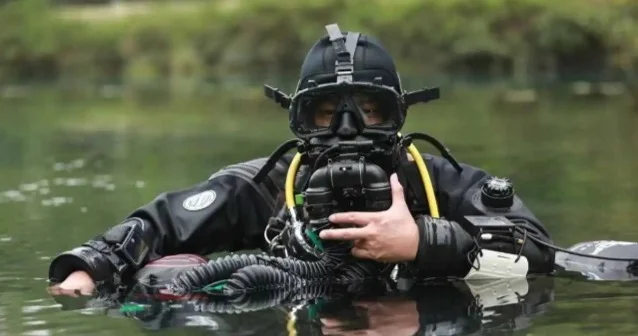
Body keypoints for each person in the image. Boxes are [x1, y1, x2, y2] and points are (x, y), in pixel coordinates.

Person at [47, 24, 555, 297]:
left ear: (399, 116)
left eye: (370, 111)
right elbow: (160, 223)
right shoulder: (261, 188)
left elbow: (538, 252)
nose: (347, 129)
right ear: (298, 120)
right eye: (326, 114)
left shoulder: (433, 180)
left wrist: (423, 240)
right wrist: (88, 267)